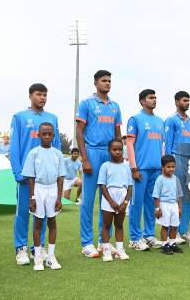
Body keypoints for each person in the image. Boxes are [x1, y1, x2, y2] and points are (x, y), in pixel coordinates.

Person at [10, 83, 60, 265]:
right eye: (39, 94)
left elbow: (57, 149)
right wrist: (18, 172)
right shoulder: (20, 117)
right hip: (26, 177)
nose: (42, 98)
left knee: (44, 214)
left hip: (46, 179)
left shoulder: (52, 118)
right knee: (24, 212)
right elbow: (14, 147)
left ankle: (37, 247)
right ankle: (21, 248)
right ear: (30, 95)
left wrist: (56, 173)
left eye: (45, 95)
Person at [76, 70, 122, 258]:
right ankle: (86, 243)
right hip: (92, 152)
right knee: (88, 201)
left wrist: (118, 156)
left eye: (109, 81)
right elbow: (79, 132)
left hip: (110, 153)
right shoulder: (87, 103)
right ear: (95, 83)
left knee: (108, 201)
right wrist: (84, 158)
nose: (107, 83)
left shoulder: (115, 106)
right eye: (104, 81)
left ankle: (105, 241)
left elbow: (118, 133)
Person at [23, 122, 65, 271]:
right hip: (39, 189)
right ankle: (38, 255)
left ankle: (51, 256)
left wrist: (59, 197)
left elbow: (61, 177)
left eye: (50, 134)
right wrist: (32, 197)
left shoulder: (58, 153)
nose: (47, 136)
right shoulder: (34, 153)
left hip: (53, 188)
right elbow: (31, 178)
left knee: (52, 221)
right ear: (39, 135)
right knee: (38, 222)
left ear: (53, 136)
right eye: (44, 134)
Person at [127, 89, 165, 251]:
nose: (154, 100)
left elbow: (162, 145)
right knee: (136, 204)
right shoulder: (135, 119)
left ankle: (149, 235)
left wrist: (163, 166)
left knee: (152, 203)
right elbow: (129, 144)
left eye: (155, 97)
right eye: (151, 98)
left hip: (156, 169)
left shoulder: (160, 121)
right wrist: (133, 167)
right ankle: (135, 238)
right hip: (140, 168)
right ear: (142, 101)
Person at [164, 91, 190, 244]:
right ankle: (172, 232)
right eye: (184, 100)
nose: (187, 103)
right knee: (176, 196)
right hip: (177, 158)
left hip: (189, 160)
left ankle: (184, 231)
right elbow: (168, 143)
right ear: (176, 102)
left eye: (188, 100)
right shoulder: (171, 120)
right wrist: (168, 164)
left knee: (188, 195)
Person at [98, 138, 132, 261]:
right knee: (106, 224)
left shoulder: (127, 166)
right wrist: (111, 202)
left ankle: (119, 250)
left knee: (119, 225)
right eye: (114, 149)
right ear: (109, 151)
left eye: (120, 149)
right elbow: (102, 185)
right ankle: (106, 250)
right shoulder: (105, 166)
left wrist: (125, 202)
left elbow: (130, 186)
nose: (117, 152)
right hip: (109, 197)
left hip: (122, 197)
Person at [154, 155, 184, 255]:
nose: (171, 169)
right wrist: (158, 208)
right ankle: (164, 244)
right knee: (165, 226)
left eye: (173, 167)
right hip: (164, 205)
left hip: (174, 205)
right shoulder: (160, 179)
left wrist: (179, 207)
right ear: (162, 167)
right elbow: (156, 195)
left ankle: (172, 243)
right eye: (168, 167)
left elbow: (179, 194)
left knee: (174, 226)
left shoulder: (176, 179)